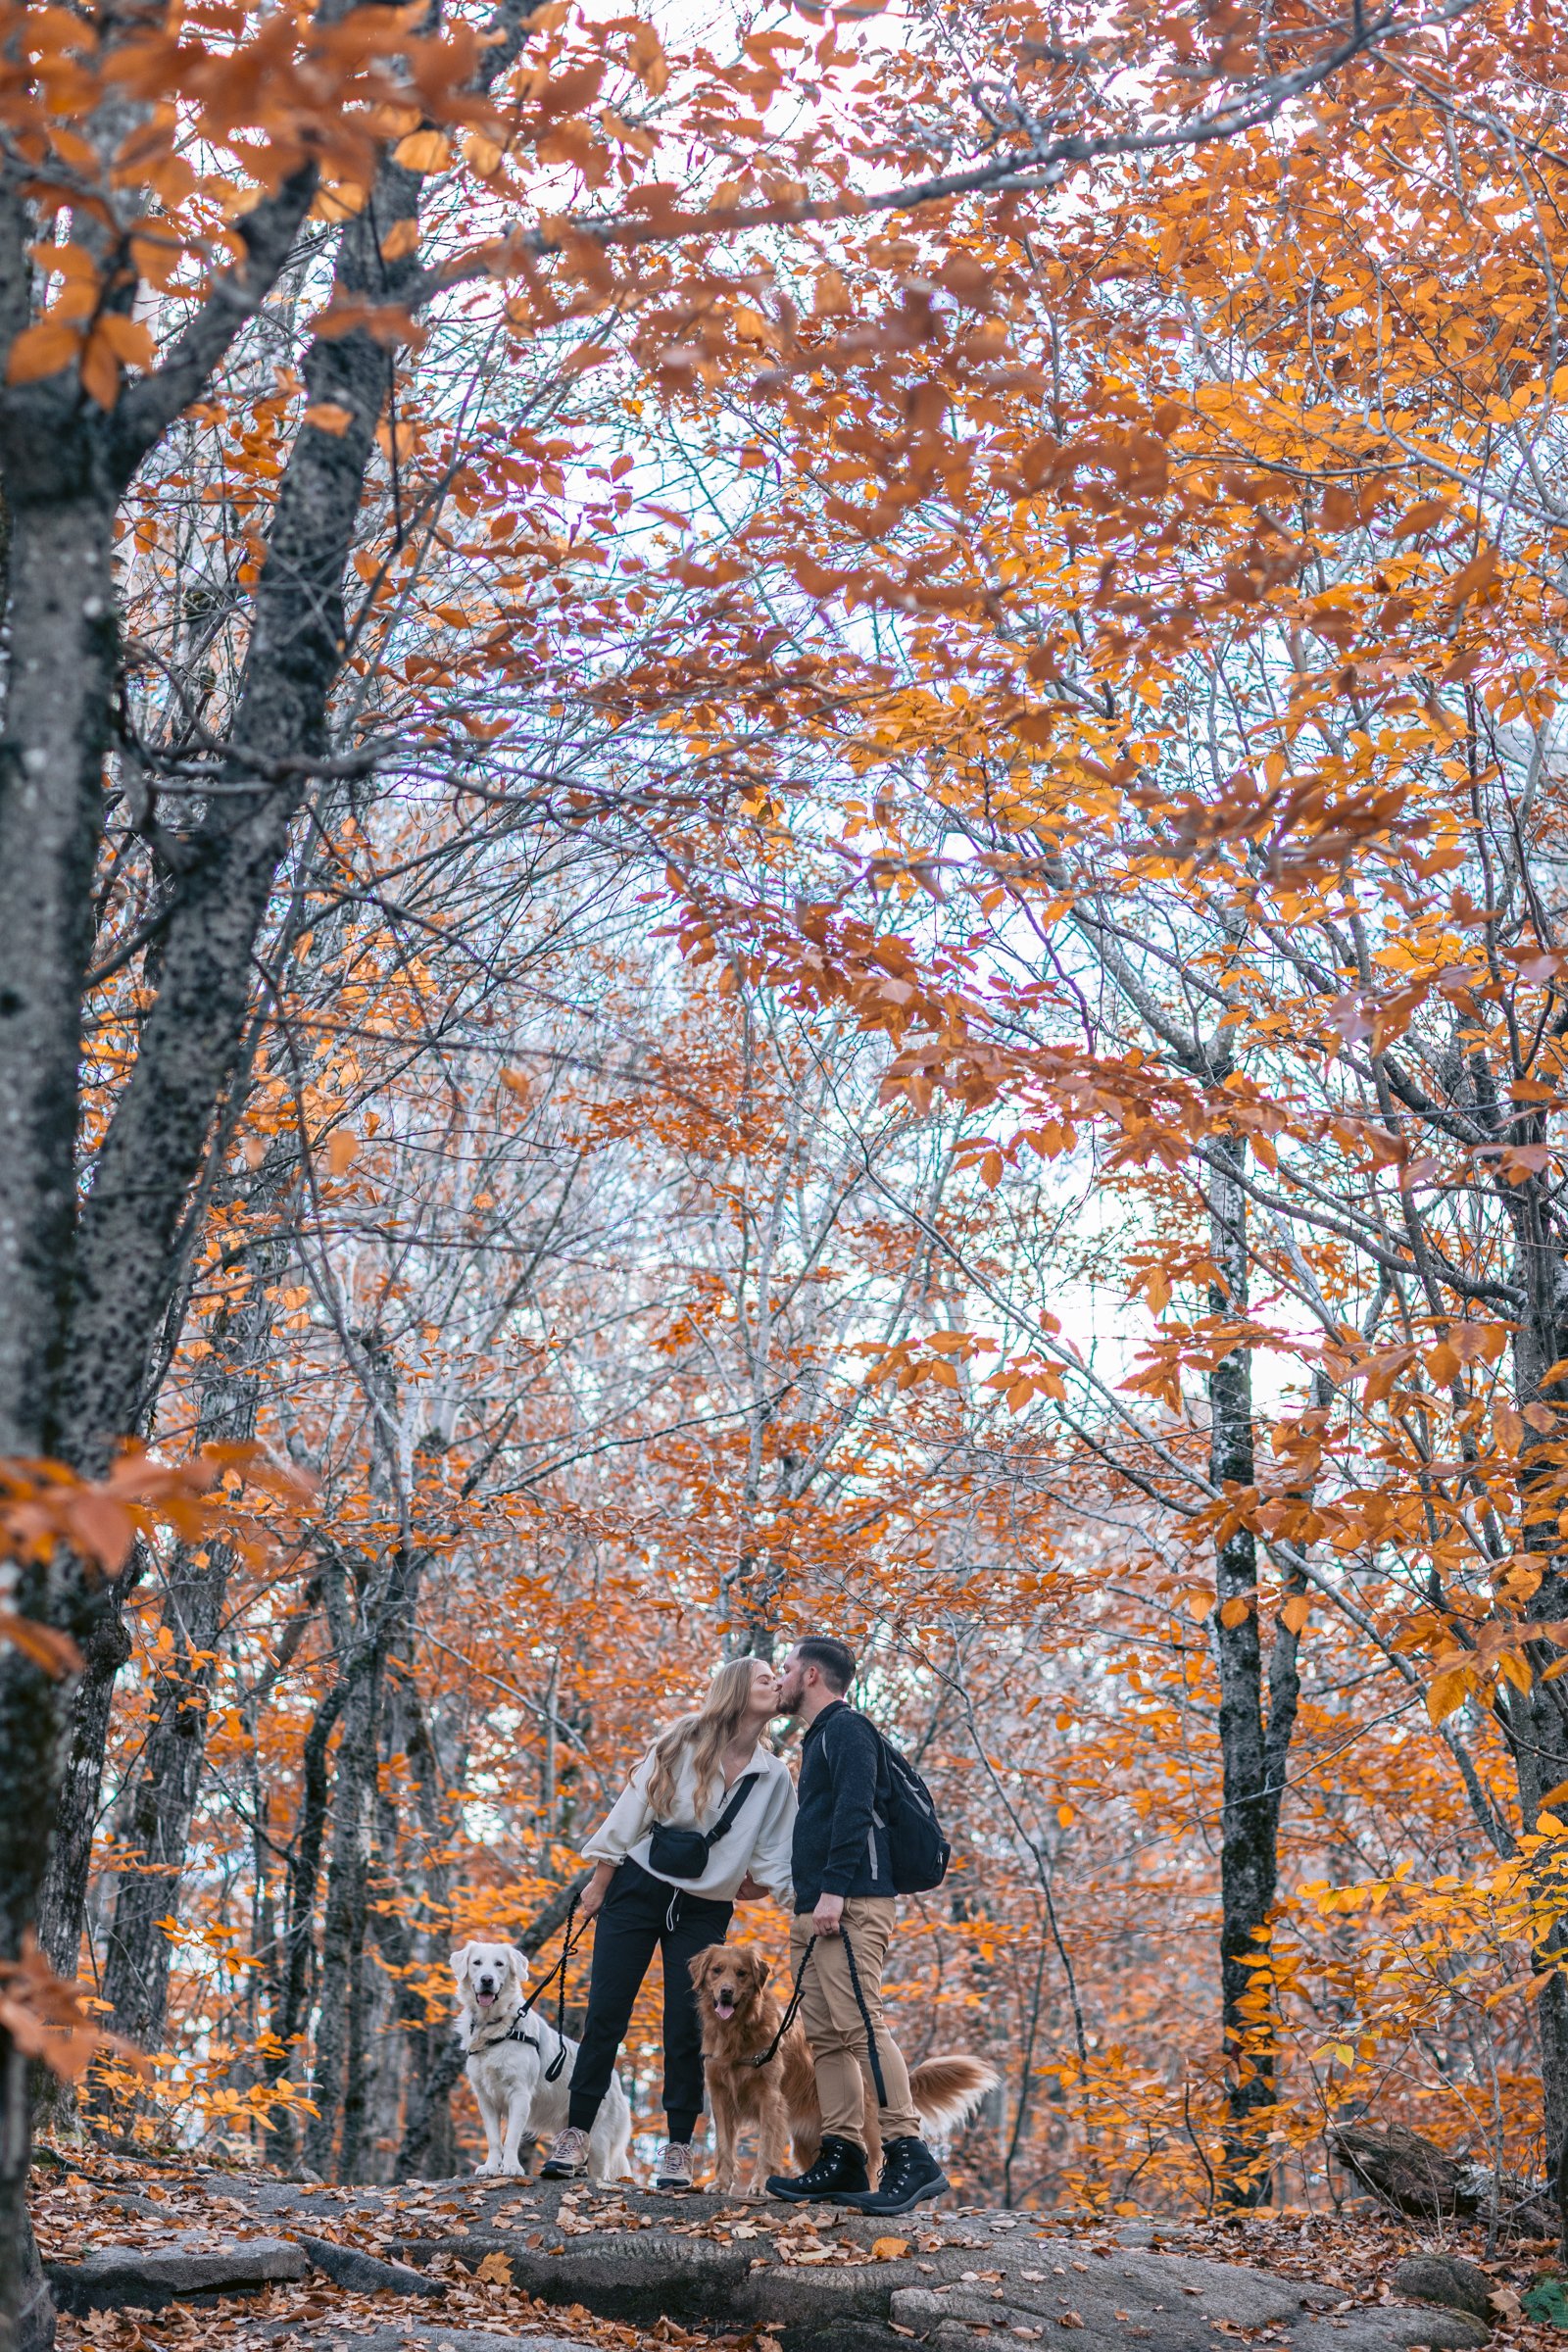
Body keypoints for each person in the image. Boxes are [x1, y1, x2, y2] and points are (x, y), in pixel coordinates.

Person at [540, 1654, 796, 2191]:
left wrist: (780, 1892)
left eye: (779, 1678)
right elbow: (629, 1814)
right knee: (607, 2013)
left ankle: (678, 2149)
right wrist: (599, 1884)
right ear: (734, 1690)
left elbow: (775, 1853)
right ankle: (575, 2133)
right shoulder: (680, 1745)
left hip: (705, 1907)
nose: (777, 1684)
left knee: (691, 2027)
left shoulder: (773, 1775)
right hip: (639, 1888)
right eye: (764, 1679)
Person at [764, 1636, 947, 2215]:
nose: (781, 1677)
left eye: (787, 1668)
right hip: (817, 1908)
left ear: (812, 1675)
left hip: (850, 1902)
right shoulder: (817, 1738)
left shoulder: (847, 1729)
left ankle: (908, 2150)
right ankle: (841, 2153)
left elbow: (853, 1810)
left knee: (864, 2024)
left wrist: (835, 1892)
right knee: (827, 2037)